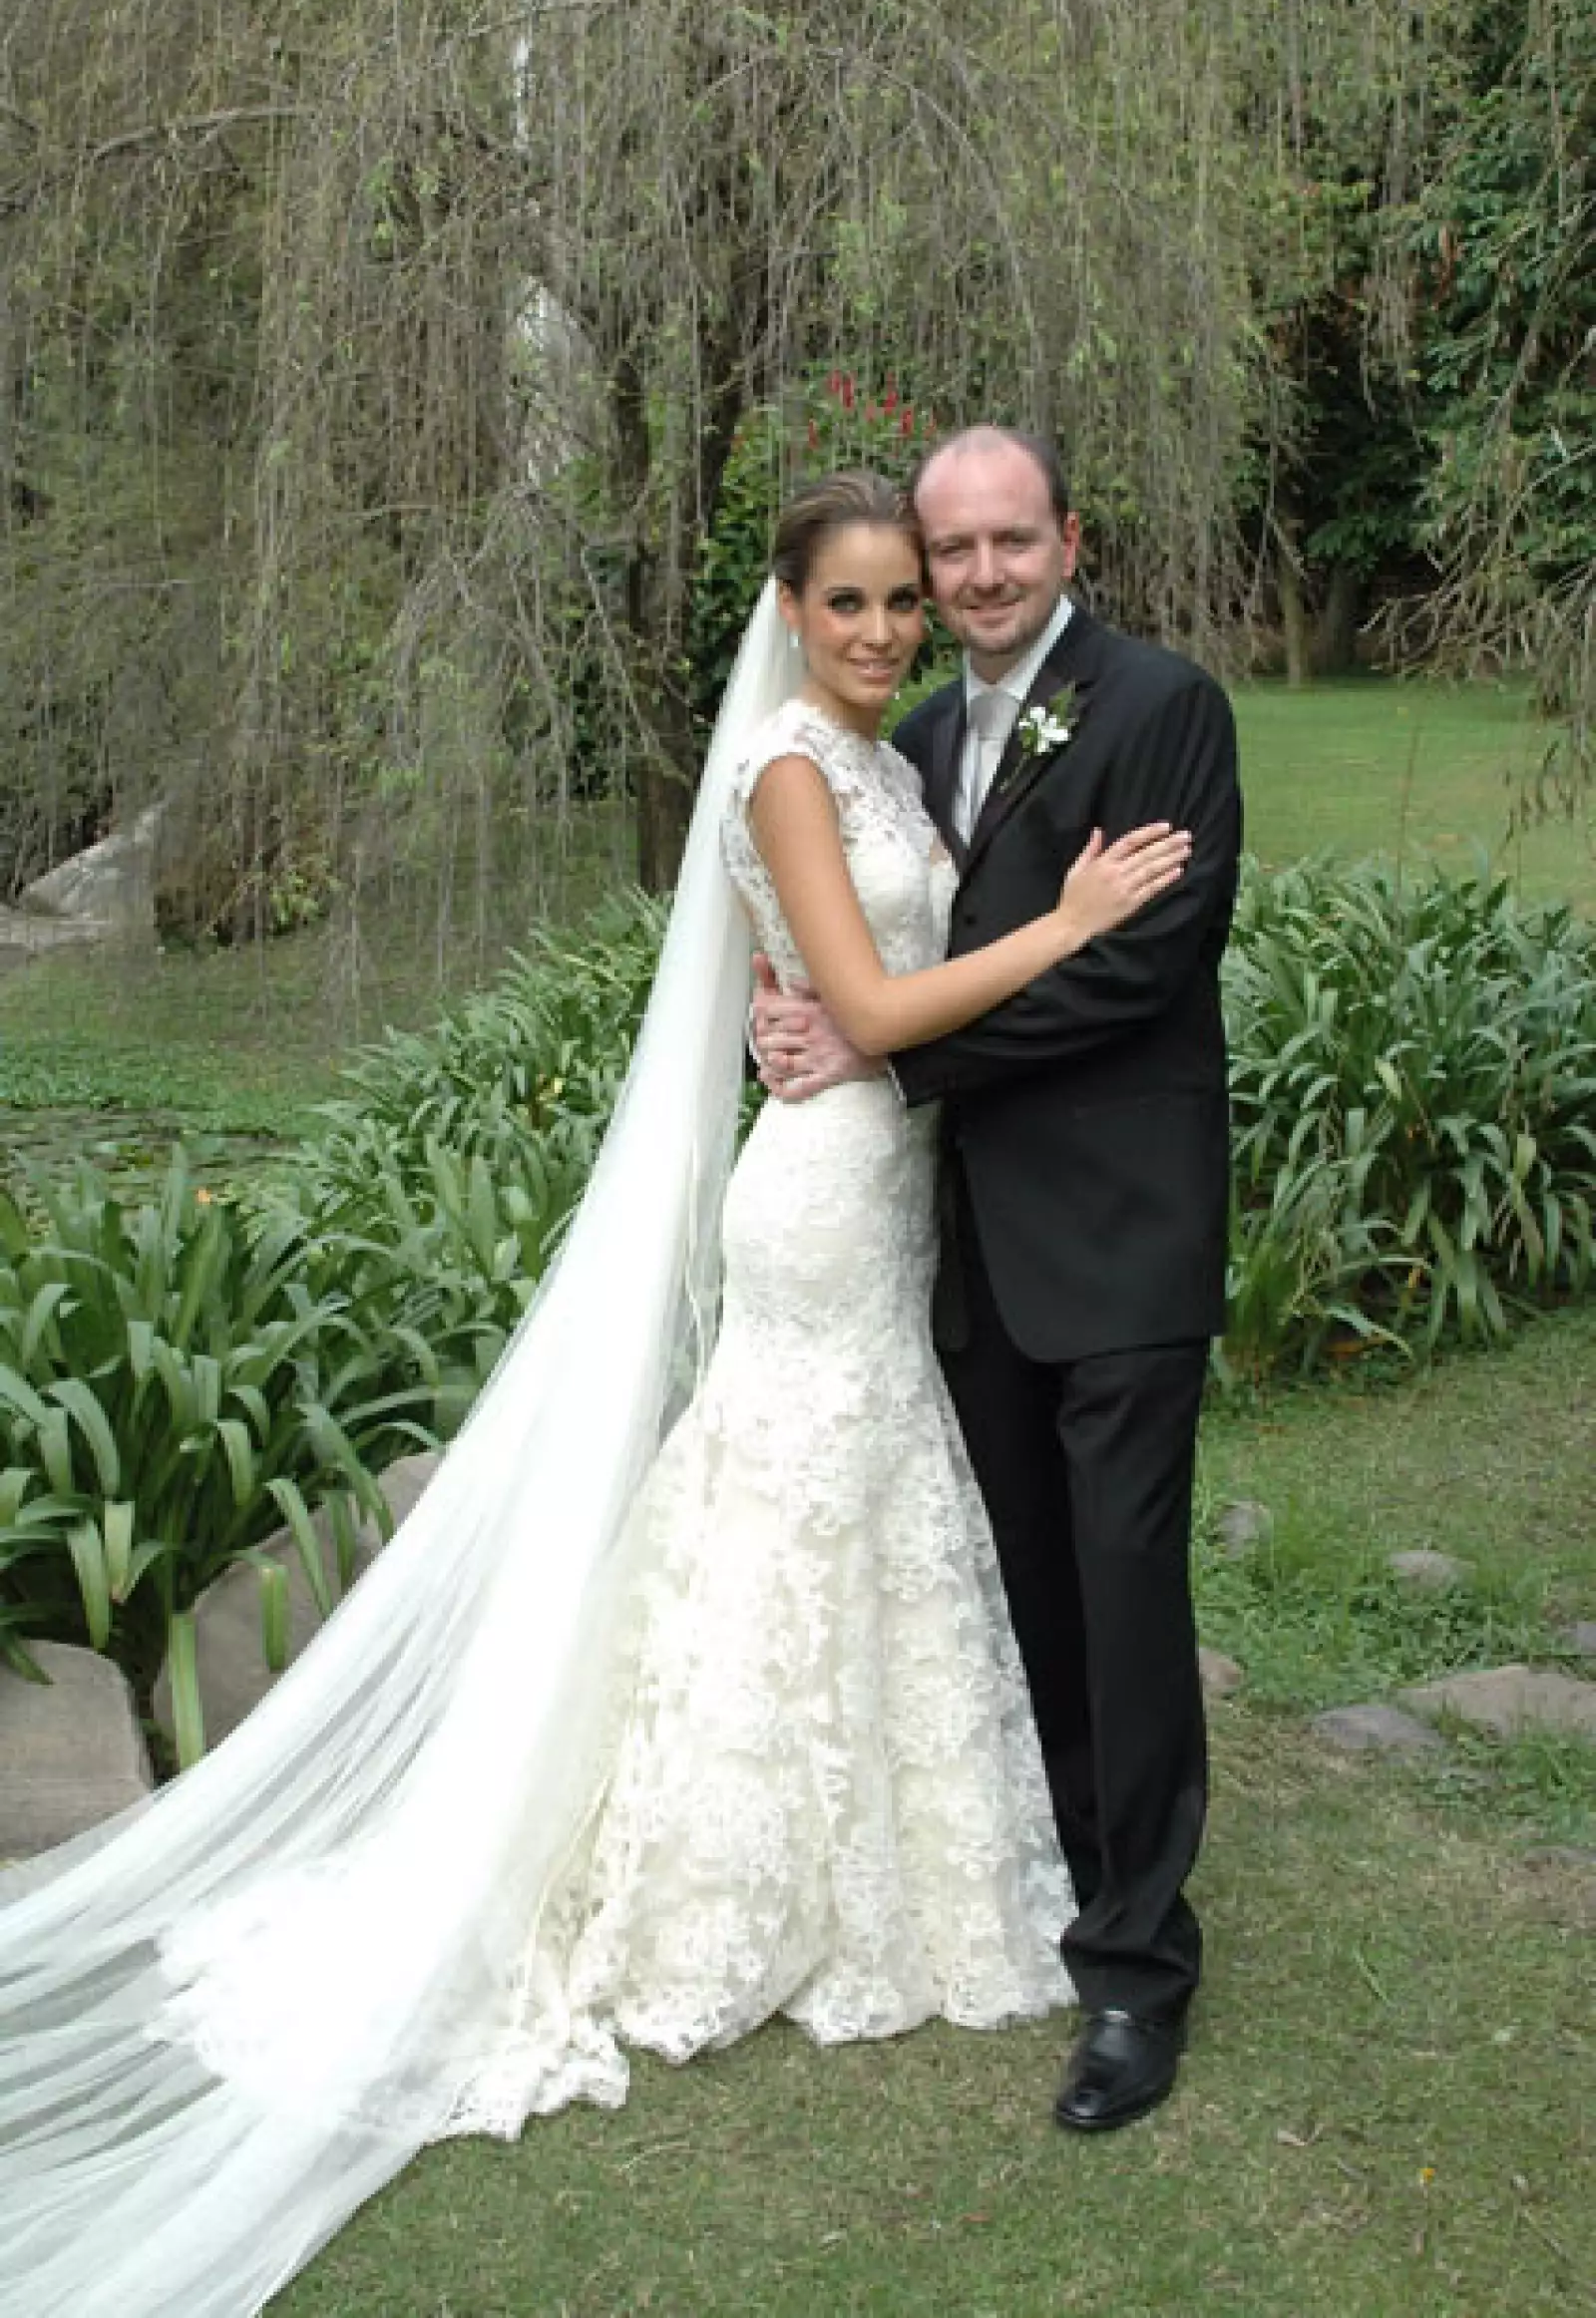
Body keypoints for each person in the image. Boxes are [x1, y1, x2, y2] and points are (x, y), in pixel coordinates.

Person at [0, 470, 1190, 2318]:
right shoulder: (792, 771)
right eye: (855, 601)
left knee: (847, 1500)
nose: (889, 628)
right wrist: (1071, 920)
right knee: (785, 1496)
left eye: (908, 598)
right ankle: (720, 1868)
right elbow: (875, 1010)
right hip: (822, 1196)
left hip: (896, 1187)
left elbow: (853, 990)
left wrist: (845, 1003)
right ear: (789, 613)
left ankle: (879, 1833)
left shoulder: (901, 756)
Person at [753, 428, 1242, 2133]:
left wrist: (887, 1061)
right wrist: (805, 1016)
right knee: (1025, 1591)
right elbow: (866, 950)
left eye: (1002, 546)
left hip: (1119, 1236)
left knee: (1123, 1596)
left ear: (1066, 537)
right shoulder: (913, 736)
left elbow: (1146, 971)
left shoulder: (1160, 705)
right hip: (953, 1252)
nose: (970, 581)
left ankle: (1138, 1977)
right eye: (944, 555)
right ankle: (1061, 1877)